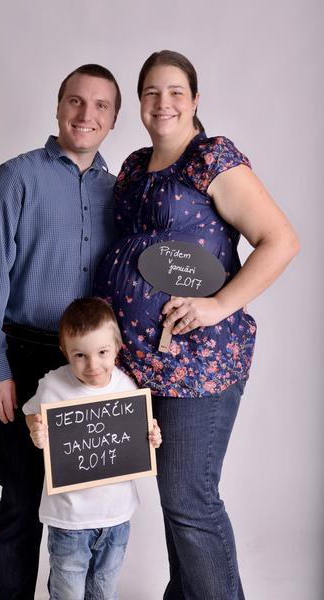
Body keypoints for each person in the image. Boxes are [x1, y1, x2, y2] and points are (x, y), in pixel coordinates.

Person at [95, 50, 300, 599]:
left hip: (198, 361)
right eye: (151, 92)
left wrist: (217, 305)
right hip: (141, 362)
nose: (163, 103)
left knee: (190, 499)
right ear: (140, 103)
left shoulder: (212, 158)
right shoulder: (134, 167)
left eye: (175, 92)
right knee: (175, 501)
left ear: (194, 101)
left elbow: (281, 240)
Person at [0, 64, 122, 600]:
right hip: (26, 355)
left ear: (114, 119)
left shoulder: (118, 192)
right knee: (20, 503)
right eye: (76, 101)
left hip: (93, 365)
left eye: (101, 106)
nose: (86, 114)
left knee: (80, 512)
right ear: (58, 107)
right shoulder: (16, 178)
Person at [23, 297, 162, 600]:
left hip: (116, 517)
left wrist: (152, 436)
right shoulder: (53, 385)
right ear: (65, 352)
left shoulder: (126, 387)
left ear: (117, 347)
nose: (93, 365)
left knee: (104, 590)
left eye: (102, 352)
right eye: (80, 355)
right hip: (69, 519)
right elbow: (31, 413)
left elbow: (139, 433)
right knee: (68, 592)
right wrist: (37, 430)